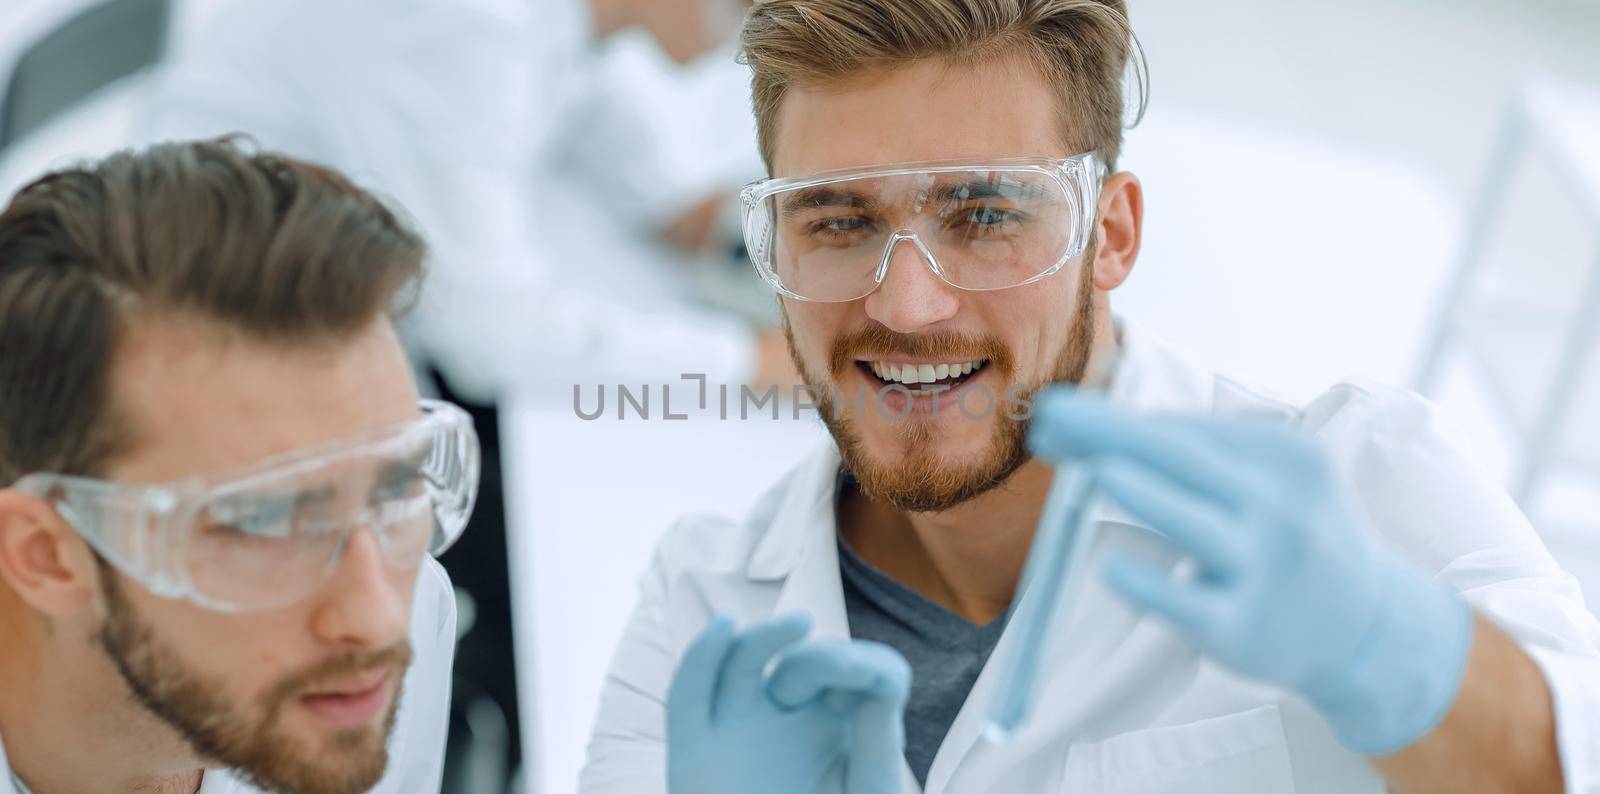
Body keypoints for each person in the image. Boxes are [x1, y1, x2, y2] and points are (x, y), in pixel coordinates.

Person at [580, 1, 1600, 792]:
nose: (906, 302)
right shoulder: (700, 611)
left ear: (1109, 233)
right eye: (836, 222)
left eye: (983, 213)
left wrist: (1398, 656)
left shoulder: (1355, 489)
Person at [134, 3, 792, 770]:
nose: (752, 26)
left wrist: (708, 218)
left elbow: (583, 110)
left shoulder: (563, 24)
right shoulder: (469, 24)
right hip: (228, 327)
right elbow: (490, 333)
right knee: (537, 595)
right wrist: (753, 363)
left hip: (326, 277)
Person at [0, 139, 468, 794]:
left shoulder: (379, 641)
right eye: (265, 522)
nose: (380, 619)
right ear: (45, 554)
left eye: (392, 483)